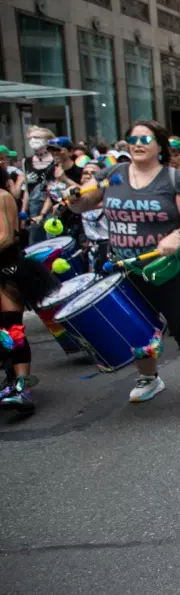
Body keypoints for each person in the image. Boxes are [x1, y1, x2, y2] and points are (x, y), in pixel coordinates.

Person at [66, 120, 180, 414]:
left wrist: (177, 235)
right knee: (138, 326)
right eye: (133, 139)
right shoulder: (112, 175)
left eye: (146, 139)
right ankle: (149, 378)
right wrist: (74, 199)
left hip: (168, 267)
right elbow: (82, 205)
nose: (138, 144)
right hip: (125, 267)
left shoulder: (176, 179)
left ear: (160, 145)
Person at [0, 165, 57, 412]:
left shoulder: (2, 197)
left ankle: (22, 386)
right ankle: (10, 379)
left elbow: (5, 237)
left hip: (6, 268)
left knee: (11, 326)